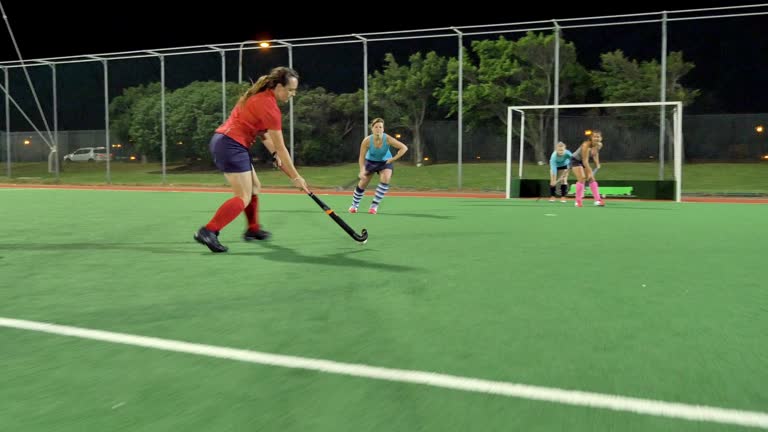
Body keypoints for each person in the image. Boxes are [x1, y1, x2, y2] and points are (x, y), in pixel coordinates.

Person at [194, 66, 309, 253]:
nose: (292, 94)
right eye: (290, 90)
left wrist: (274, 155)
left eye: (294, 90)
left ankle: (252, 229)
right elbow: (281, 147)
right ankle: (209, 230)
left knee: (255, 187)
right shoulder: (269, 106)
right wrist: (296, 177)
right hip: (230, 144)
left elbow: (264, 135)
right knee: (243, 196)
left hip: (229, 143)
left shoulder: (261, 97)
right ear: (279, 86)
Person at [348, 118, 409, 214]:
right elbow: (361, 157)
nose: (378, 129)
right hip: (371, 162)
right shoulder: (367, 141)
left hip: (385, 163)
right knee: (363, 183)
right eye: (376, 127)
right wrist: (362, 170)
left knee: (386, 179)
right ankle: (354, 205)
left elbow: (404, 148)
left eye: (380, 127)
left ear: (383, 129)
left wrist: (393, 159)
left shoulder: (388, 139)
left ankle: (374, 206)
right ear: (372, 129)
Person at [570, 130, 604, 207]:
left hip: (583, 161)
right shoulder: (586, 145)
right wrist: (590, 171)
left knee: (591, 179)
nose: (596, 138)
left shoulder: (599, 145)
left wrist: (597, 163)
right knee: (582, 178)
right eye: (594, 136)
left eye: (598, 137)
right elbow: (585, 162)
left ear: (601, 138)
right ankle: (578, 201)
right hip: (575, 160)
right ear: (591, 137)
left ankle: (597, 200)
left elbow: (595, 154)